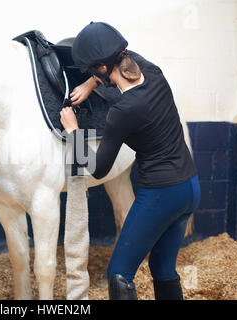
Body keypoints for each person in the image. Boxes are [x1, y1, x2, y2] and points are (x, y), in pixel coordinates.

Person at [60, 22, 201, 300]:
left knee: (120, 274)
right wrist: (91, 82)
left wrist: (74, 130)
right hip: (190, 188)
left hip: (161, 194)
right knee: (162, 267)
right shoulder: (152, 70)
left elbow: (99, 168)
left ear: (101, 67)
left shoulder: (123, 111)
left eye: (92, 70)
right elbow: (121, 58)